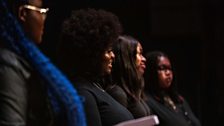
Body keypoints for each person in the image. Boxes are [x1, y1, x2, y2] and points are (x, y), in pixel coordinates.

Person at [0, 0, 86, 126]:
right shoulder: (9, 64)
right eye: (41, 11)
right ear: (23, 13)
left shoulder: (26, 61)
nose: (44, 18)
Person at [57, 8, 134, 126]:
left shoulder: (94, 87)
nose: (113, 56)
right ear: (93, 54)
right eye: (108, 51)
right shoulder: (83, 93)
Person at [144, 51, 201, 126]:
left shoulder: (178, 99)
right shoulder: (147, 102)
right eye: (162, 68)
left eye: (170, 68)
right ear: (151, 71)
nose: (168, 73)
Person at [106, 35, 151, 119]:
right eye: (139, 54)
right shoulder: (118, 93)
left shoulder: (133, 90)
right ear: (127, 58)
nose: (144, 59)